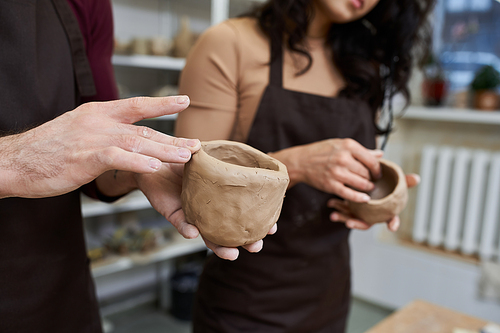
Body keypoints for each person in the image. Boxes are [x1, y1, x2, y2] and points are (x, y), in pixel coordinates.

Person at [0, 0, 264, 332]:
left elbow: (98, 168)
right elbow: (45, 158)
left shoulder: (88, 5)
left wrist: (136, 168)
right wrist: (16, 162)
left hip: (54, 283)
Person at [175, 0, 433, 331]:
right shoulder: (229, 44)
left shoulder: (362, 65)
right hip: (246, 301)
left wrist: (371, 194)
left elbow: (347, 170)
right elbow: (193, 184)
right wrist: (296, 166)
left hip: (329, 296)